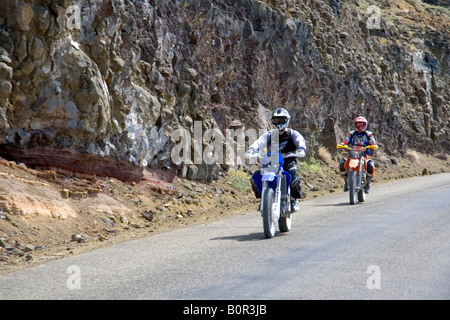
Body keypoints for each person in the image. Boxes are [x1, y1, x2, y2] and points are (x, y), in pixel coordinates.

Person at [245, 108, 306, 212]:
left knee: (293, 174)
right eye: (276, 120)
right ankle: (264, 199)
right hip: (271, 163)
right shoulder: (269, 135)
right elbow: (259, 142)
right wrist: (252, 150)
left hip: (288, 162)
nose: (279, 123)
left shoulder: (293, 134)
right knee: (256, 177)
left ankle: (294, 199)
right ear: (272, 121)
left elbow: (301, 143)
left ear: (287, 120)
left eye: (282, 120)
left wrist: (300, 149)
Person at [338, 116, 378, 193]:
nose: (360, 126)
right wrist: (341, 144)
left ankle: (368, 184)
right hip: (352, 154)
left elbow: (373, 142)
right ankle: (346, 182)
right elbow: (346, 141)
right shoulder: (352, 133)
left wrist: (373, 145)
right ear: (355, 125)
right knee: (342, 164)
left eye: (362, 124)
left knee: (371, 166)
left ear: (365, 125)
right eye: (358, 124)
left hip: (364, 154)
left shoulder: (368, 134)